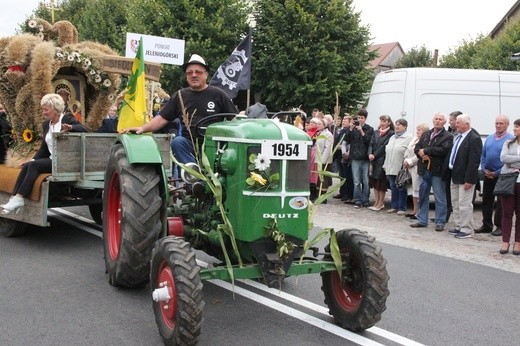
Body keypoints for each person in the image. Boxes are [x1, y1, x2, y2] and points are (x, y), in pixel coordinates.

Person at [124, 54, 238, 165]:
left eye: (198, 72)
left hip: (214, 146)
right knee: (178, 142)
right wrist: (143, 128)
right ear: (187, 76)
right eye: (190, 73)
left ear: (205, 75)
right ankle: (193, 175)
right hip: (189, 145)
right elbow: (162, 118)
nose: (194, 75)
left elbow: (235, 120)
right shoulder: (180, 96)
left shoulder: (219, 94)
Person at [0, 93, 88, 214]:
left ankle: (19, 198)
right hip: (52, 159)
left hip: (65, 162)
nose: (43, 112)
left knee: (34, 166)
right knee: (28, 165)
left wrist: (71, 128)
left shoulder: (67, 118)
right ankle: (14, 198)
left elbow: (85, 129)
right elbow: (43, 149)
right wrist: (32, 160)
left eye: (46, 109)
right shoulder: (46, 124)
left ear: (55, 109)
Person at [411, 113, 453, 231]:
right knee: (423, 195)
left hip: (437, 171)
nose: (438, 121)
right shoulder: (426, 134)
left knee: (439, 197)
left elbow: (443, 150)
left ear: (444, 122)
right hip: (424, 169)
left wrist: (427, 151)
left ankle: (440, 221)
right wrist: (421, 154)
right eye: (436, 119)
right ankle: (422, 220)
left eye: (440, 119)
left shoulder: (447, 136)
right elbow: (417, 148)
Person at [475, 115, 513, 236]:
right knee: (486, 200)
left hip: (502, 175)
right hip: (488, 174)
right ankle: (486, 224)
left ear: (507, 125)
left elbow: (509, 160)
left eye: (501, 123)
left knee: (501, 203)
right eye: (496, 123)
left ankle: (499, 226)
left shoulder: (510, 140)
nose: (498, 125)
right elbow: (484, 154)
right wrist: (485, 168)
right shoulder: (490, 138)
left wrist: (496, 172)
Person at [445, 114, 482, 238]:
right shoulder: (459, 137)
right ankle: (458, 225)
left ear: (467, 124)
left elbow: (474, 162)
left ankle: (466, 229)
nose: (456, 125)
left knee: (464, 204)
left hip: (465, 178)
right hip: (454, 175)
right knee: (455, 202)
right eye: (457, 122)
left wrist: (470, 180)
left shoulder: (474, 138)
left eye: (459, 123)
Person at [344, 109, 374, 208]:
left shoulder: (369, 129)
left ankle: (365, 200)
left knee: (366, 180)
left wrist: (362, 131)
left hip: (365, 158)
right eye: (359, 118)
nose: (360, 120)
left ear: (365, 118)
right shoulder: (353, 129)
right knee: (356, 181)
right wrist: (350, 129)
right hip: (355, 157)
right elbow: (346, 140)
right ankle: (357, 200)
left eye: (362, 118)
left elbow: (369, 141)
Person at [498, 119, 520, 255]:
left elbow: (508, 160)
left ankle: (518, 242)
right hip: (508, 181)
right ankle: (505, 241)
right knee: (507, 212)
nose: (514, 129)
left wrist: (513, 161)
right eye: (515, 127)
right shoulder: (508, 142)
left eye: (517, 127)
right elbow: (503, 158)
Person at [383, 118, 412, 214]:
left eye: (399, 125)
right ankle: (394, 206)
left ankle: (401, 207)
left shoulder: (408, 138)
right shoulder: (392, 137)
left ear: (405, 127)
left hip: (400, 166)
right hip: (390, 165)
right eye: (396, 124)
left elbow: (409, 152)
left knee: (401, 187)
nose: (397, 126)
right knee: (393, 186)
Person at [402, 123, 429, 219]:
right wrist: (405, 160)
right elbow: (407, 150)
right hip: (409, 167)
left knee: (418, 189)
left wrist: (410, 161)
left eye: (420, 130)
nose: (418, 131)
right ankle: (414, 210)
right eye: (417, 129)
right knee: (413, 189)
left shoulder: (425, 140)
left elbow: (419, 155)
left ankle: (419, 212)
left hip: (417, 166)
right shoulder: (414, 139)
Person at [368, 115, 394, 211]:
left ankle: (381, 202)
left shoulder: (391, 133)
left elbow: (384, 146)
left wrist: (375, 154)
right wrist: (370, 153)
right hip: (373, 160)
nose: (382, 123)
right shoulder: (376, 132)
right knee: (374, 181)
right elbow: (371, 143)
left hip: (381, 159)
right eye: (381, 121)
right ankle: (376, 201)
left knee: (381, 182)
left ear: (388, 123)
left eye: (384, 121)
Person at [314, 117, 334, 203]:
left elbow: (327, 148)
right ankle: (318, 195)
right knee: (318, 177)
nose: (317, 125)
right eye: (317, 124)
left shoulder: (328, 134)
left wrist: (323, 160)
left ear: (324, 125)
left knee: (324, 178)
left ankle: (323, 196)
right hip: (318, 158)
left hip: (324, 160)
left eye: (319, 124)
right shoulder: (318, 133)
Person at [336, 115, 354, 202]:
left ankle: (347, 194)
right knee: (341, 175)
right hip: (339, 155)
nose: (343, 122)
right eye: (343, 120)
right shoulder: (342, 131)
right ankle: (342, 192)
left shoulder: (349, 131)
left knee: (346, 176)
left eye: (345, 121)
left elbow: (347, 142)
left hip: (346, 155)